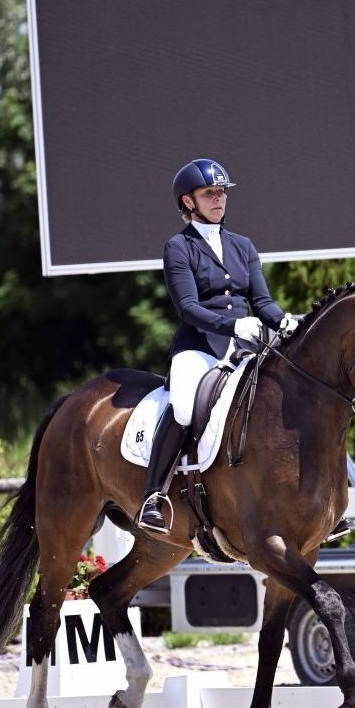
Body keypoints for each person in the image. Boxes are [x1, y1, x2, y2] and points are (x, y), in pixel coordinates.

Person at [137, 158, 299, 534]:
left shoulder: (243, 245)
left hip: (245, 347)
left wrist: (284, 320)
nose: (219, 199)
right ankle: (153, 497)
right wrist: (232, 323)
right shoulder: (178, 248)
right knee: (182, 407)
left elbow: (263, 302)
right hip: (199, 348)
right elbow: (188, 309)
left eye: (222, 192)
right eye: (209, 193)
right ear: (188, 202)